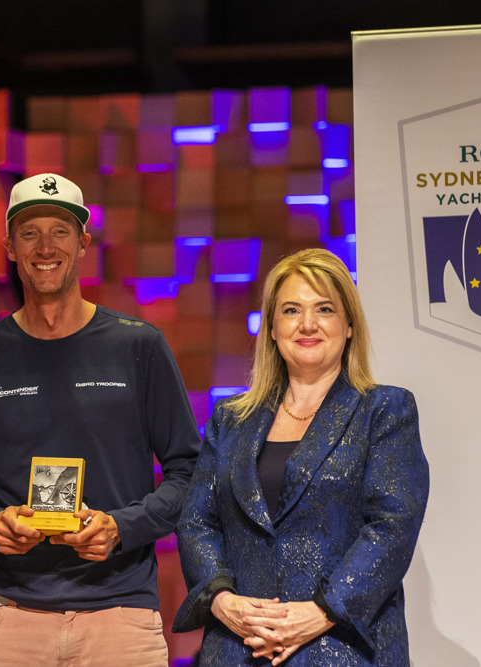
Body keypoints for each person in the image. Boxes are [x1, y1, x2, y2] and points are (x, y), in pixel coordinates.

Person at [0, 173, 201, 667]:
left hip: (121, 618)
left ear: (83, 244)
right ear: (10, 248)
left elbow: (191, 474)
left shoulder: (138, 346)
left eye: (60, 231)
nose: (45, 247)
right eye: (29, 233)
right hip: (13, 620)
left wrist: (121, 527)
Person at [172, 249, 429, 666]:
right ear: (273, 328)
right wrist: (221, 600)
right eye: (291, 310)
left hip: (343, 648)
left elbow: (392, 526)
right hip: (239, 647)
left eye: (324, 309)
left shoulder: (385, 411)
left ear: (348, 325)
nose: (307, 324)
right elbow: (197, 522)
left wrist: (322, 611)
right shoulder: (230, 419)